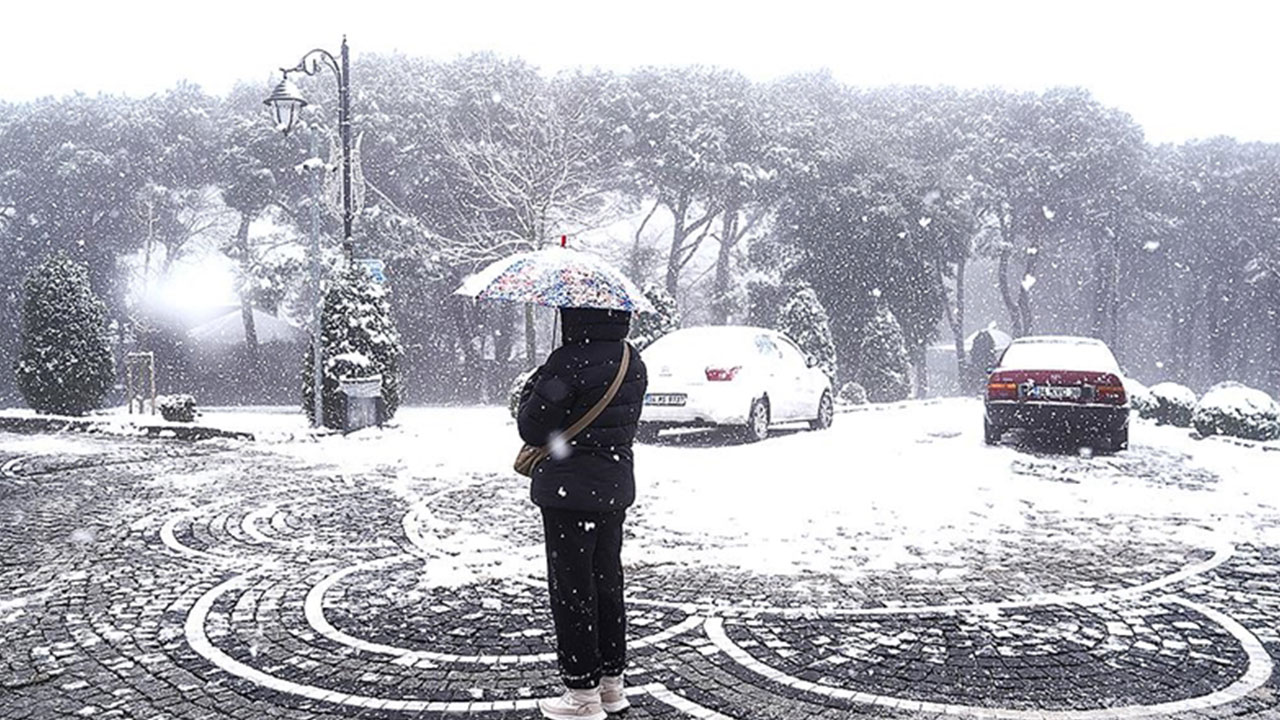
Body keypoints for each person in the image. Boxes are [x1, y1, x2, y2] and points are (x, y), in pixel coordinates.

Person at [517, 307, 648, 720]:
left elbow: (532, 429)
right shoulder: (633, 360)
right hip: (612, 488)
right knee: (608, 584)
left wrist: (535, 385)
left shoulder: (567, 362)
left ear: (574, 316)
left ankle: (581, 695)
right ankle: (612, 686)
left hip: (568, 491)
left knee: (573, 590)